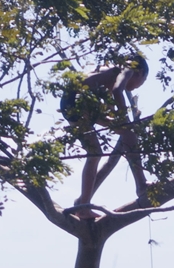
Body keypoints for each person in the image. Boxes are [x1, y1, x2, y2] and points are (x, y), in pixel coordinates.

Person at [60, 53, 149, 216]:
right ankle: (141, 184)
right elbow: (117, 91)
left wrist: (120, 121)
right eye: (141, 83)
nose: (136, 87)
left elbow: (109, 106)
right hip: (79, 102)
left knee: (96, 152)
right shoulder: (128, 68)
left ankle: (82, 205)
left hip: (71, 102)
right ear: (140, 72)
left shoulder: (107, 75)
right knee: (126, 136)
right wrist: (124, 121)